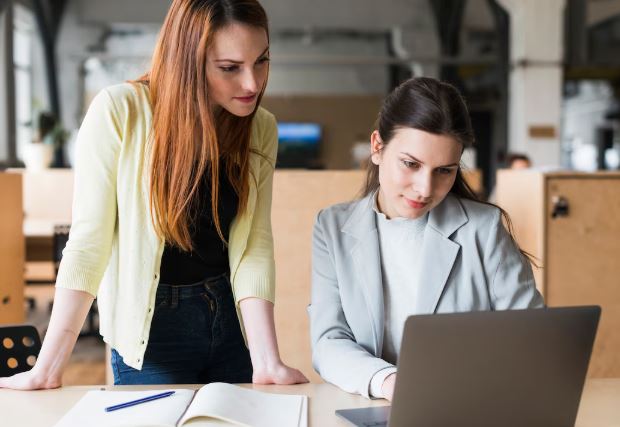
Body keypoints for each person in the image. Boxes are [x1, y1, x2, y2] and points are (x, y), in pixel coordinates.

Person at [0, 0, 307, 389]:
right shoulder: (120, 111)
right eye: (230, 68)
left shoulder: (260, 128)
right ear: (188, 61)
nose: (253, 84)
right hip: (154, 333)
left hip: (230, 322)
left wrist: (267, 361)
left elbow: (254, 247)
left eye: (261, 61)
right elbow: (88, 245)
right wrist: (46, 370)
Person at [308, 77, 543, 401]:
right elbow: (328, 341)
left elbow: (531, 335)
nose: (425, 188)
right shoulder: (332, 227)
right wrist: (389, 382)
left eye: (444, 170)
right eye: (410, 164)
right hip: (372, 405)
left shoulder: (484, 228)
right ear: (377, 147)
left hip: (465, 406)